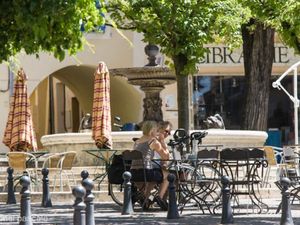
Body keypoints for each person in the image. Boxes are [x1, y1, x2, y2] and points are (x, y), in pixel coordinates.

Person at [131, 120, 170, 210]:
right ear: (152, 130)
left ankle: (145, 199)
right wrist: (163, 142)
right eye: (156, 130)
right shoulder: (153, 141)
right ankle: (159, 197)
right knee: (168, 174)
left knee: (154, 176)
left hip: (133, 174)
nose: (157, 133)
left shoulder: (137, 142)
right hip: (146, 173)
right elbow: (166, 157)